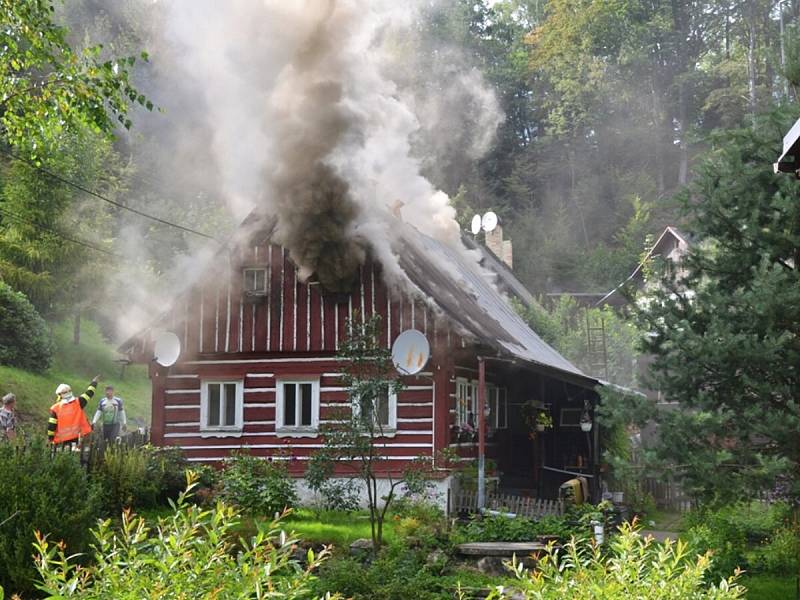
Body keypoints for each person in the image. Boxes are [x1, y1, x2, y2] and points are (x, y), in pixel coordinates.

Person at [48, 376, 99, 445]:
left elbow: (51, 426)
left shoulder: (55, 408)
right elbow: (89, 393)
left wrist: (50, 438)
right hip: (79, 437)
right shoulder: (79, 402)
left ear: (60, 395)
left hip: (62, 440)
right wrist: (94, 382)